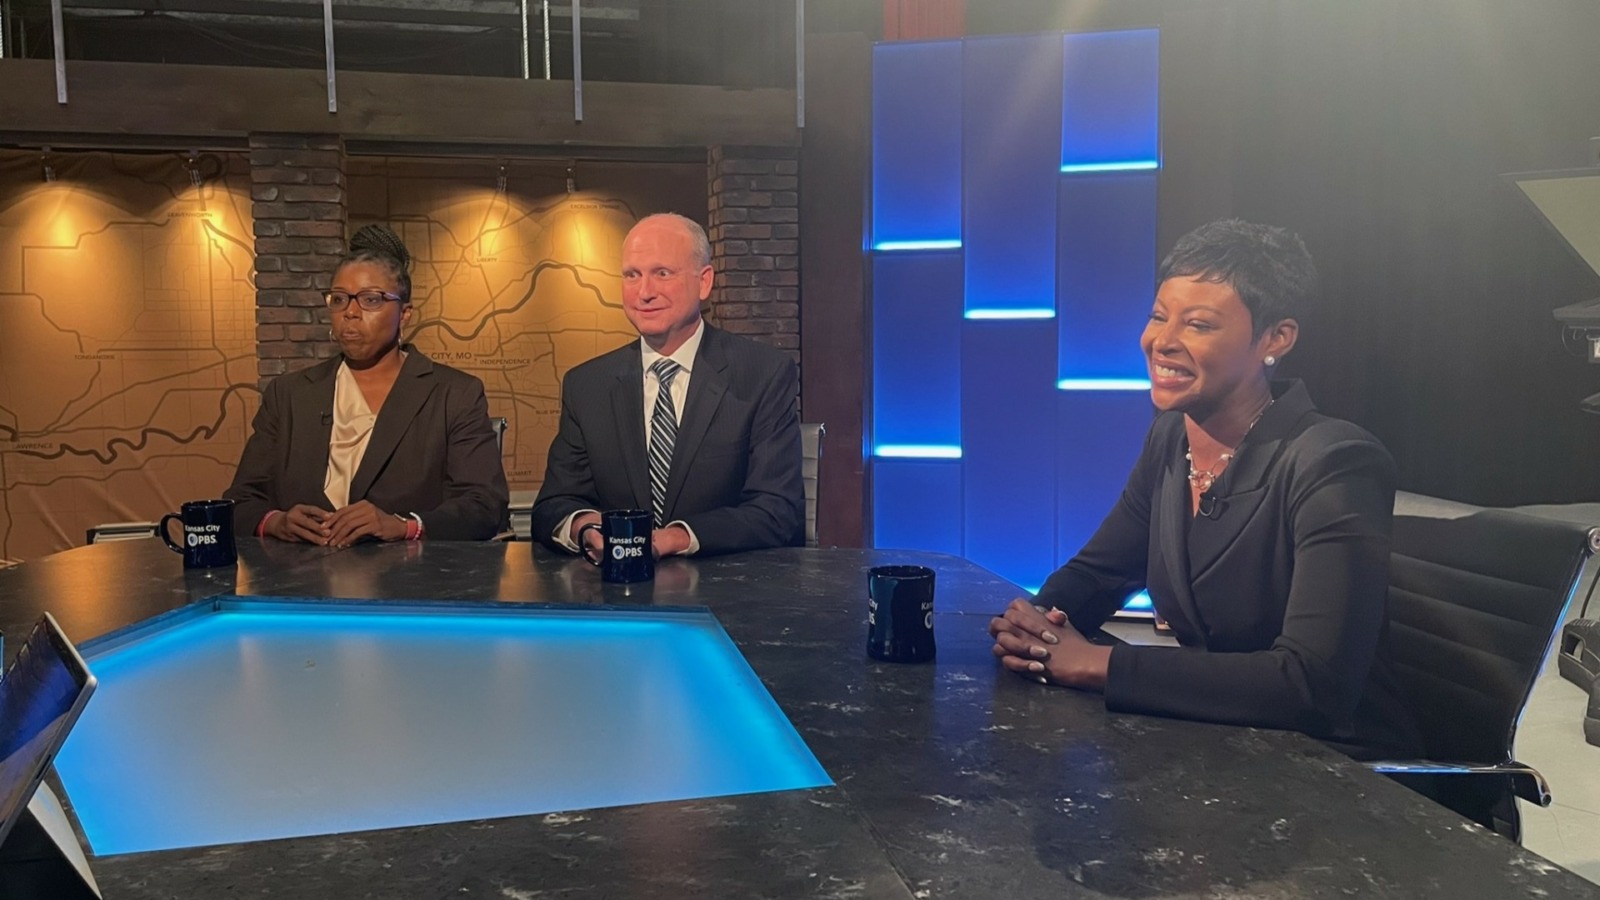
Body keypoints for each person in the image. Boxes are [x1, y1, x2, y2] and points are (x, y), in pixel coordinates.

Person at [988, 219, 1422, 759]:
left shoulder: (1335, 462)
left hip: (1344, 769)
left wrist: (1099, 663)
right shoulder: (1172, 438)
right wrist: (1037, 630)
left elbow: (1311, 685)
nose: (1162, 342)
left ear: (1275, 339)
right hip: (1224, 743)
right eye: (1158, 317)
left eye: (1198, 324)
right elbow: (1098, 573)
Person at [531, 213, 804, 558]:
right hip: (617, 592)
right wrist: (586, 526)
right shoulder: (587, 386)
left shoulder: (762, 374)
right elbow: (553, 505)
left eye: (662, 273)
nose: (644, 292)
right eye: (632, 275)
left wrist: (672, 538)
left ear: (704, 282)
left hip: (727, 591)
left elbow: (777, 511)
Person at [225, 225, 509, 546]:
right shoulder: (289, 395)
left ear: (404, 315)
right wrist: (276, 522)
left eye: (371, 300)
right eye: (339, 299)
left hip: (408, 585)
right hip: (301, 584)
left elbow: (484, 506)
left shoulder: (454, 394)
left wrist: (404, 526)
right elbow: (240, 502)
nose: (350, 313)